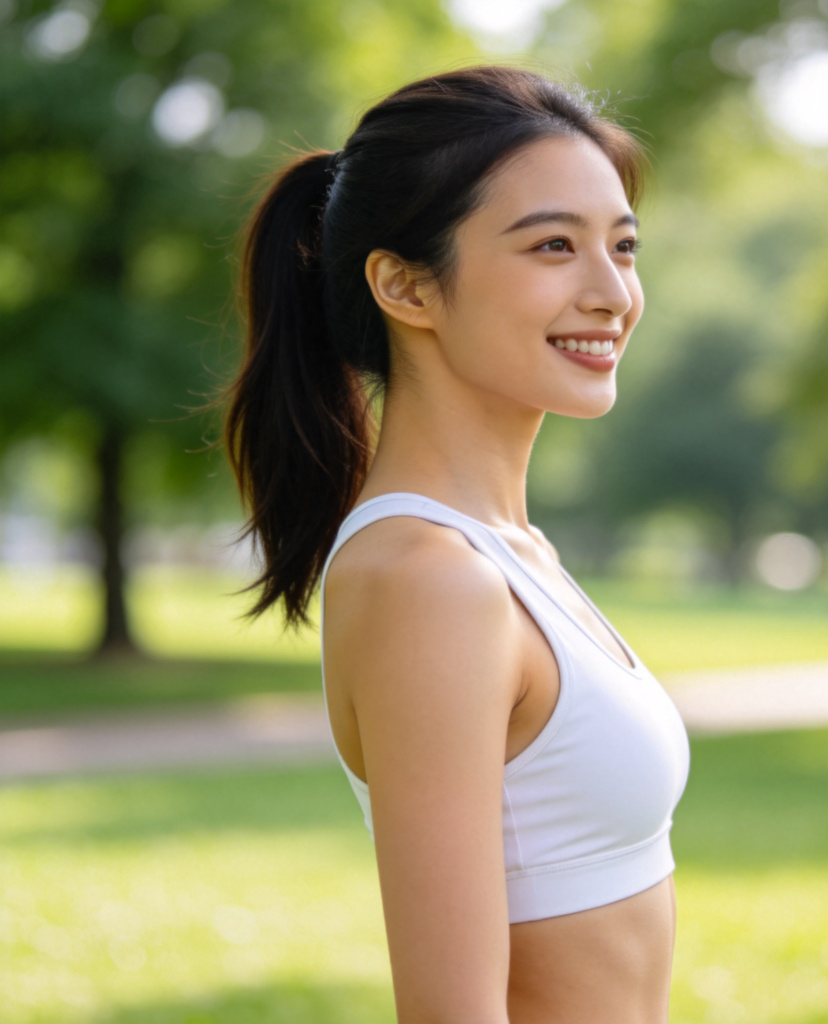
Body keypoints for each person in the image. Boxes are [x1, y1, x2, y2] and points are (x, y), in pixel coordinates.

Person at [225, 65, 690, 1024]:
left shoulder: (509, 556)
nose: (612, 293)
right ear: (405, 286)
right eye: (553, 246)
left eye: (624, 245)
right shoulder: (429, 581)